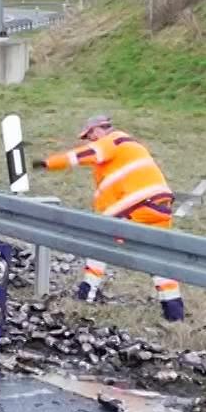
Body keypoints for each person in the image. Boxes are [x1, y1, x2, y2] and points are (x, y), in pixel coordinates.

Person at [40, 115, 183, 321]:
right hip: (159, 205)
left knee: (101, 239)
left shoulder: (112, 141)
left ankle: (87, 293)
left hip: (137, 201)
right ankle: (174, 311)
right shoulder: (127, 149)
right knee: (158, 258)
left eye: (90, 135)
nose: (89, 140)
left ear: (98, 130)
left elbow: (84, 155)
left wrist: (48, 163)